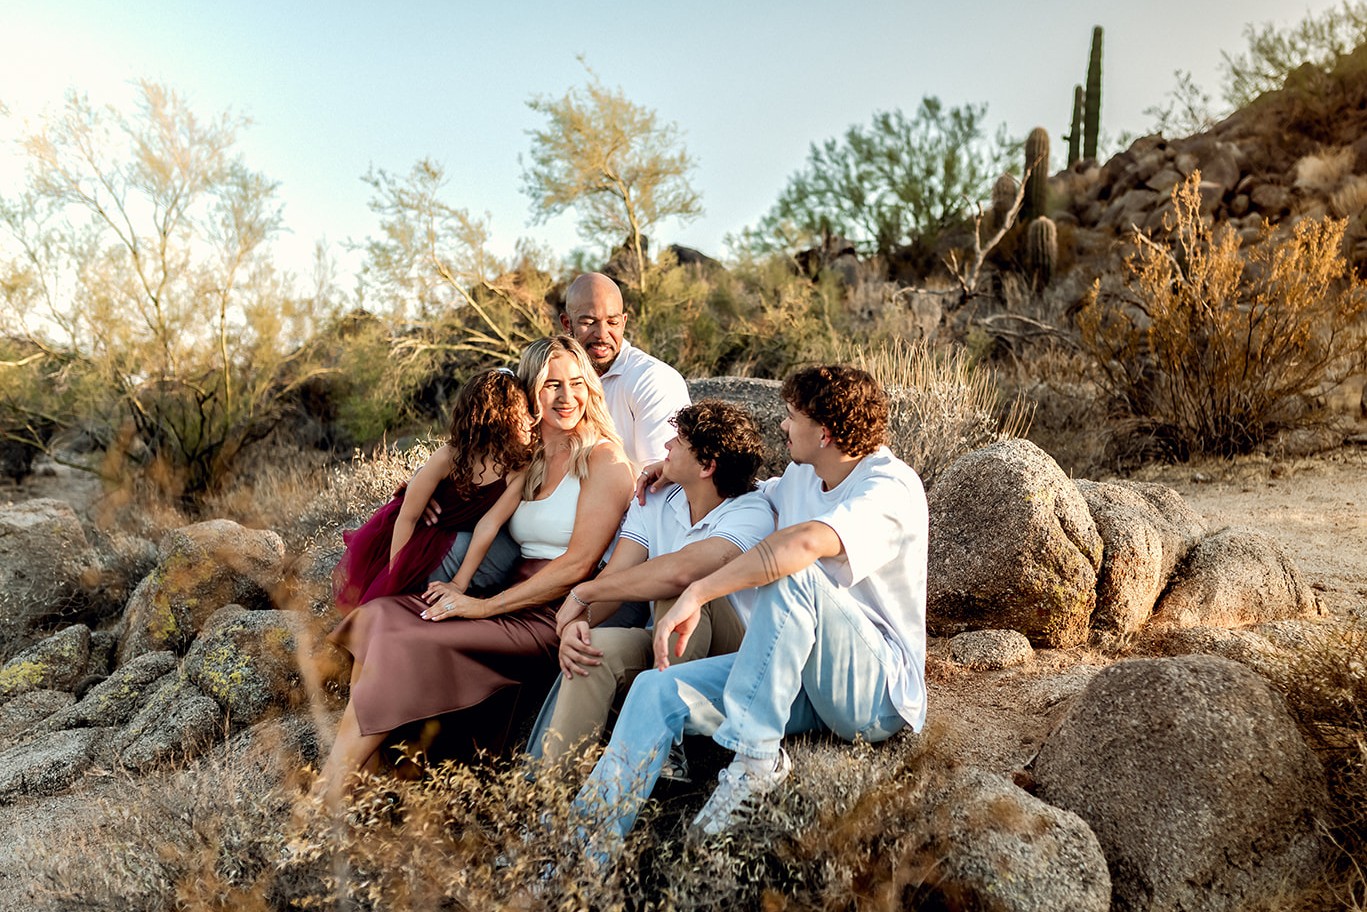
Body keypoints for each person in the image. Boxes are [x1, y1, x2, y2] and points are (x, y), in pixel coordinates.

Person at [572, 365, 928, 856]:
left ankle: (756, 760)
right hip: (798, 679)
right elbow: (742, 493)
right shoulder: (804, 477)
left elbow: (801, 544)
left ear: (823, 432)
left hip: (871, 694)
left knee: (795, 570)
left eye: (791, 416)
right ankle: (580, 851)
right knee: (656, 690)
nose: (783, 425)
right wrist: (671, 470)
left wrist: (698, 592)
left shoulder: (889, 487)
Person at [316, 336, 633, 806]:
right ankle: (348, 771)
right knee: (381, 614)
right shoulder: (528, 457)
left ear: (590, 387)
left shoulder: (603, 459)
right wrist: (425, 507)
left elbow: (579, 565)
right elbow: (473, 496)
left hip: (555, 614)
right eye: (551, 385)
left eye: (577, 383)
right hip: (507, 595)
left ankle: (329, 793)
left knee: (412, 636)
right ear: (528, 394)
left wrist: (480, 604)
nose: (567, 398)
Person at [528, 399, 774, 767]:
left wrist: (584, 592)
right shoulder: (655, 498)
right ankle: (553, 798)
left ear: (707, 466)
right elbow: (617, 576)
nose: (666, 447)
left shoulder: (751, 512)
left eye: (679, 441)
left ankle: (667, 734)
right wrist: (578, 624)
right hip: (668, 640)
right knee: (592, 651)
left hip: (733, 656)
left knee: (680, 584)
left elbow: (681, 571)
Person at [331, 368, 534, 613]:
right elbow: (409, 516)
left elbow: (488, 525)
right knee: (384, 598)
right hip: (410, 533)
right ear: (499, 419)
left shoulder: (518, 469)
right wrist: (395, 572)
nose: (531, 420)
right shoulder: (450, 456)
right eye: (523, 413)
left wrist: (459, 583)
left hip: (449, 539)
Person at [560, 272, 690, 469]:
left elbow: (664, 482)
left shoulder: (652, 380)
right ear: (567, 324)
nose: (602, 335)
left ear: (624, 321)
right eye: (588, 322)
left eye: (612, 322)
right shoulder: (556, 378)